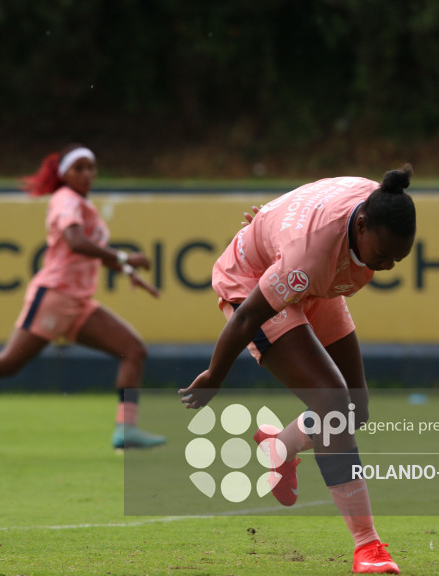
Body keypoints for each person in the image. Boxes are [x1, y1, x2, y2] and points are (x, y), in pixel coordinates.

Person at [179, 165, 416, 575]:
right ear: (361, 225)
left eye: (397, 258)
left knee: (353, 410)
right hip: (250, 284)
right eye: (383, 255)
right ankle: (368, 547)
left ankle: (279, 446)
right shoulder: (307, 259)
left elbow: (310, 198)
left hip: (306, 277)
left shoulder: (378, 200)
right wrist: (215, 375)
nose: (387, 266)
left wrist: (269, 229)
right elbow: (247, 316)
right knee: (333, 402)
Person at [0, 144, 166, 449]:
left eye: (91, 167)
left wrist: (127, 271)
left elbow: (94, 255)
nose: (87, 174)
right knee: (8, 363)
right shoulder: (65, 199)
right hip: (55, 295)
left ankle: (125, 428)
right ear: (64, 174)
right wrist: (124, 257)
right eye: (79, 168)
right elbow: (75, 242)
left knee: (133, 349)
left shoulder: (81, 203)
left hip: (78, 302)